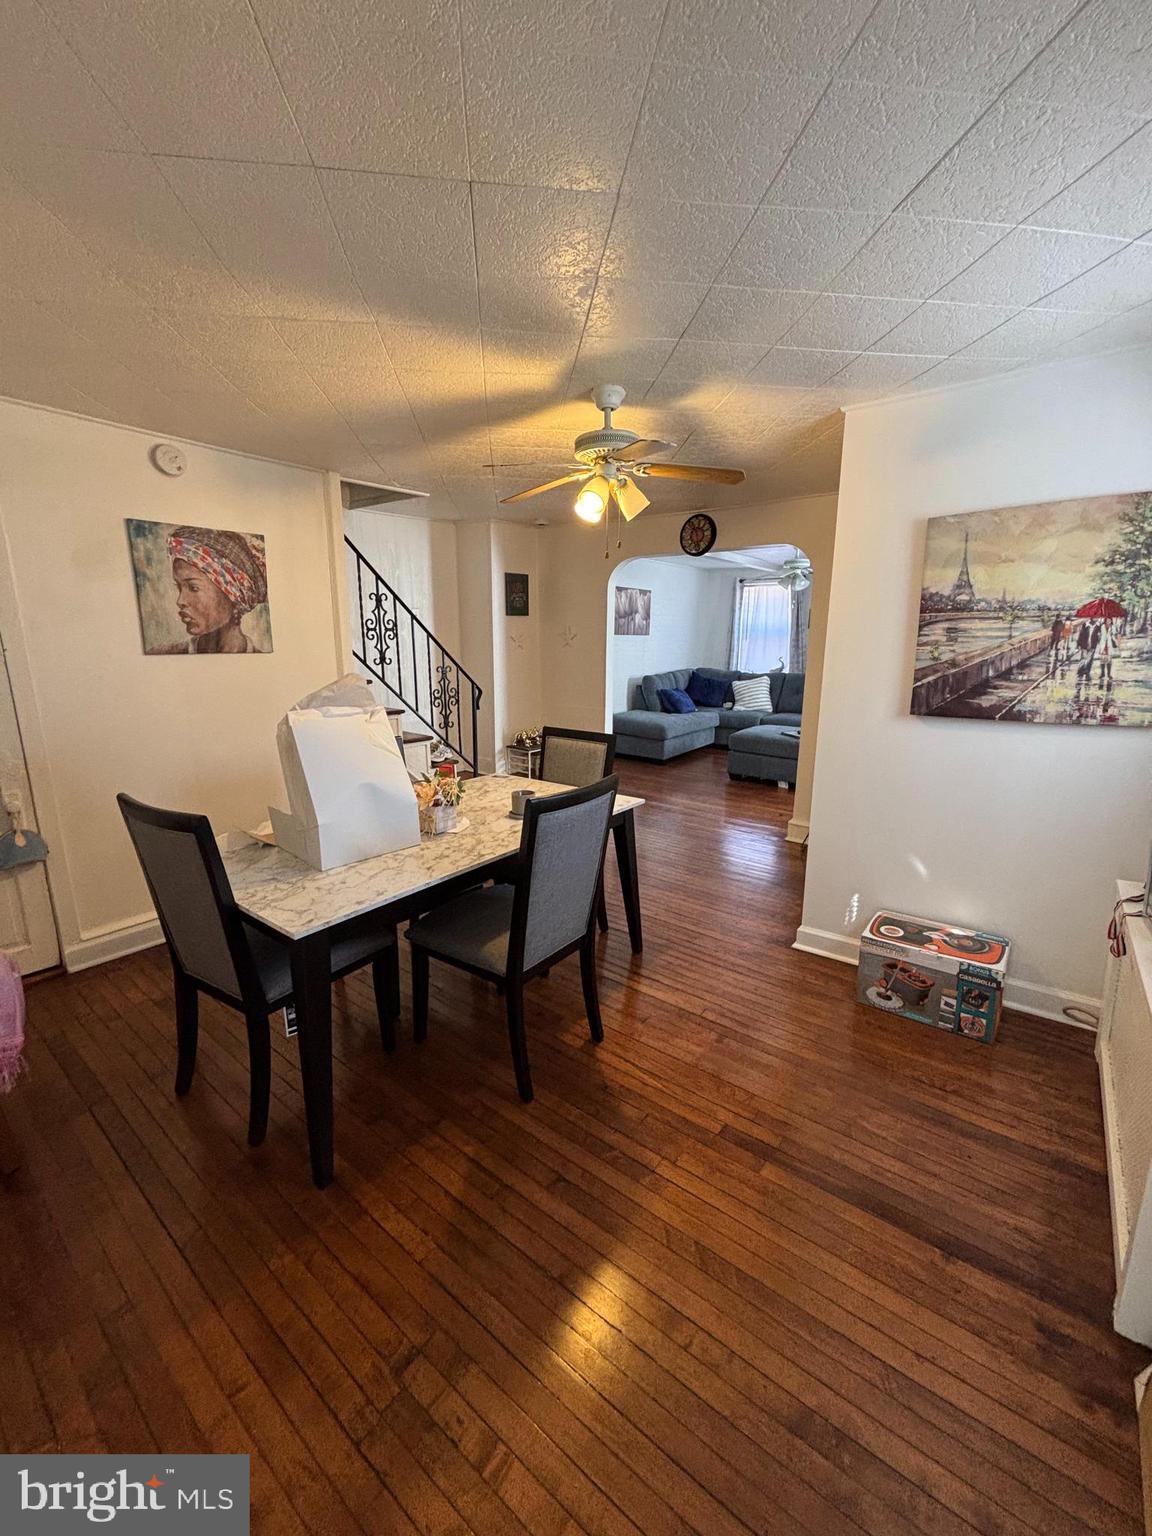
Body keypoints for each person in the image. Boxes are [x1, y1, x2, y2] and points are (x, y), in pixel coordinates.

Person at [157, 525, 269, 654]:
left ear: (234, 595)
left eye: (193, 588)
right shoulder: (166, 653)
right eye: (178, 587)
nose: (180, 601)